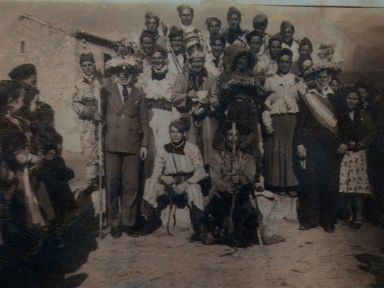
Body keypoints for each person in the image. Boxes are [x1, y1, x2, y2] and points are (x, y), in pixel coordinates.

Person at [103, 56, 150, 238]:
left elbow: (144, 122)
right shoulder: (107, 92)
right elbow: (99, 113)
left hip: (132, 144)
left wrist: (144, 144)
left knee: (131, 184)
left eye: (127, 73)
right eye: (121, 73)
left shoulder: (139, 95)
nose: (124, 76)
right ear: (116, 74)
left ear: (133, 75)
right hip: (112, 143)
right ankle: (113, 221)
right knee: (113, 183)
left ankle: (128, 222)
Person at [140, 119, 208, 240]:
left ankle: (200, 227)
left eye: (178, 132)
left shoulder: (192, 149)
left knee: (195, 189)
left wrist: (186, 183)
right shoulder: (163, 150)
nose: (175, 135)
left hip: (186, 184)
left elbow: (201, 171)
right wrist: (162, 178)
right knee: (150, 182)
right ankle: (149, 220)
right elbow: (156, 172)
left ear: (184, 134)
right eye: (172, 132)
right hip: (168, 186)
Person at [295, 65, 342, 233]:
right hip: (312, 143)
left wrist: (343, 142)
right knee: (310, 180)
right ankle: (309, 219)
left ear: (330, 78)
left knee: (329, 182)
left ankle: (328, 220)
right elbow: (302, 122)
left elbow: (342, 124)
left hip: (331, 145)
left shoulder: (337, 97)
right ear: (316, 79)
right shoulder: (309, 97)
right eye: (320, 77)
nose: (323, 79)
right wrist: (300, 143)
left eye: (326, 77)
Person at [204, 122, 260, 247]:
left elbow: (250, 177)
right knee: (213, 215)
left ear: (239, 138)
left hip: (240, 198)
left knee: (246, 219)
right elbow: (216, 179)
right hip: (222, 198)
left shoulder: (248, 158)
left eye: (236, 135)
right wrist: (226, 186)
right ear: (225, 137)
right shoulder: (216, 158)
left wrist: (240, 179)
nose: (233, 138)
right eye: (229, 135)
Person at [263, 48, 306, 195]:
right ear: (277, 63)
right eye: (281, 61)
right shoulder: (270, 81)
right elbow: (265, 104)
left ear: (291, 62)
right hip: (276, 119)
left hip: (292, 119)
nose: (284, 64)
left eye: (287, 61)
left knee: (290, 150)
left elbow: (302, 101)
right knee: (276, 149)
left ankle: (291, 184)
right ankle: (278, 184)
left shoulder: (297, 80)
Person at [171, 45, 219, 165]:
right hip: (188, 118)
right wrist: (187, 96)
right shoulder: (182, 78)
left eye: (200, 61)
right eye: (195, 61)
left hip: (206, 119)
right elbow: (174, 97)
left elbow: (216, 97)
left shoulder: (211, 77)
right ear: (190, 62)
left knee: (207, 149)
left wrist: (209, 101)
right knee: (190, 146)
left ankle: (206, 175)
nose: (198, 64)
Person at [338, 89, 375, 229]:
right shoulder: (341, 114)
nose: (351, 101)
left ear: (358, 100)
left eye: (354, 98)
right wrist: (345, 142)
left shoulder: (364, 115)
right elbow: (337, 132)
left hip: (360, 154)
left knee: (358, 185)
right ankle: (348, 213)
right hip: (346, 153)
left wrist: (363, 142)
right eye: (349, 98)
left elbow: (372, 132)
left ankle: (359, 215)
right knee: (347, 184)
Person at [72, 52, 103, 192]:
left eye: (90, 65)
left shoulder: (101, 81)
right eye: (84, 66)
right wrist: (89, 112)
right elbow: (75, 104)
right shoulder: (78, 85)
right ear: (81, 67)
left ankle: (104, 178)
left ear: (94, 65)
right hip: (88, 123)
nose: (87, 68)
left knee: (102, 149)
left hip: (102, 121)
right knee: (90, 150)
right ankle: (92, 182)